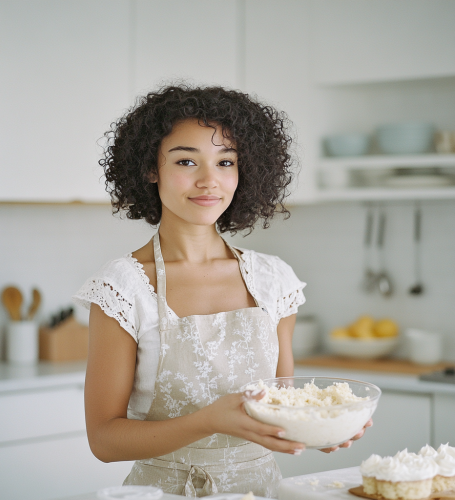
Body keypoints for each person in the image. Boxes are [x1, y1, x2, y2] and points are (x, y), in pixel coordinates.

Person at [73, 84, 370, 498]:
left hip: (263, 491)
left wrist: (320, 426)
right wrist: (208, 420)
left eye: (225, 161)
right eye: (186, 161)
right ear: (150, 169)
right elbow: (104, 440)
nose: (209, 181)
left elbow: (282, 403)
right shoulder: (123, 286)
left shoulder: (273, 279)